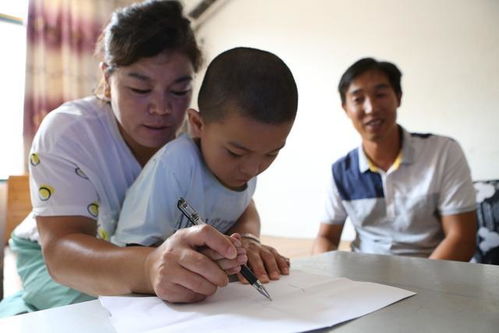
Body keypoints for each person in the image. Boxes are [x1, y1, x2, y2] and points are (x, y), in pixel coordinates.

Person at [0, 0, 286, 317]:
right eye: (140, 88)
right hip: (56, 257)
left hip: (156, 257)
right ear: (107, 80)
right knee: (105, 316)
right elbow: (62, 250)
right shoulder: (71, 132)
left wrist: (246, 240)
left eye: (179, 91)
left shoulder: (195, 132)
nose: (162, 108)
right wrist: (148, 265)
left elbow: (239, 198)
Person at [112, 47, 298, 291]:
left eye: (272, 153)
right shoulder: (175, 166)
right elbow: (129, 251)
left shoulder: (246, 164)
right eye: (235, 153)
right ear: (198, 124)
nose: (253, 169)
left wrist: (246, 242)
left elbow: (243, 209)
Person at [313, 57, 477, 261]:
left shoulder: (443, 152)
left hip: (434, 275)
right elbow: (326, 236)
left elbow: (461, 238)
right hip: (365, 279)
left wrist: (421, 288)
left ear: (398, 97)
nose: (371, 108)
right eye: (358, 99)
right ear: (345, 108)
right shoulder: (341, 170)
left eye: (380, 95)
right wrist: (325, 272)